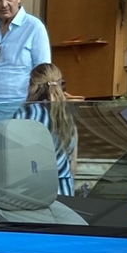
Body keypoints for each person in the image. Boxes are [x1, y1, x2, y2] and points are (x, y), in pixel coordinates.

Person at [21, 62, 77, 196]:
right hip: (64, 190)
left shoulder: (26, 114)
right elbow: (73, 164)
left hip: (33, 191)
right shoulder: (67, 116)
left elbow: (17, 157)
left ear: (32, 84)